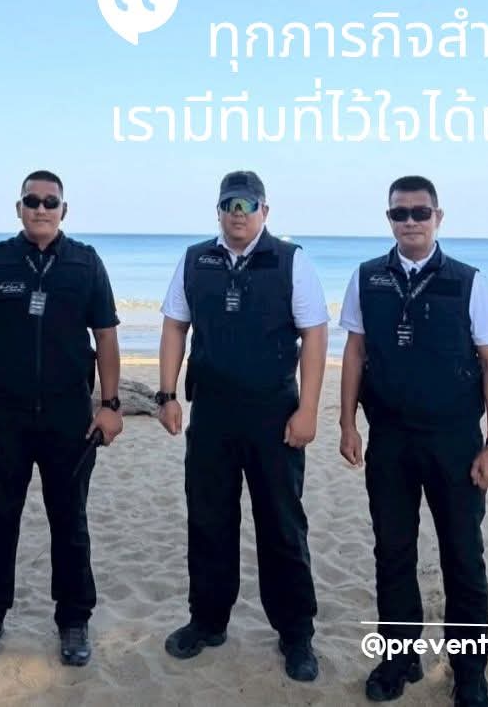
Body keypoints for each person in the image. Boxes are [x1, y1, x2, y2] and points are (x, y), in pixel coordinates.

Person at [338, 175, 488, 707]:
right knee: (392, 552)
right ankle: (399, 658)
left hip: (454, 442)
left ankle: (469, 672)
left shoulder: (469, 281)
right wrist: (347, 423)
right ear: (388, 219)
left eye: (420, 212)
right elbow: (355, 353)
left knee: (463, 557)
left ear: (438, 217)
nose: (410, 221)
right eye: (400, 213)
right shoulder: (367, 277)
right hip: (389, 440)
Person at [157, 170, 329, 682]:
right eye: (230, 204)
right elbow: (175, 326)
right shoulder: (195, 260)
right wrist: (167, 394)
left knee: (281, 524)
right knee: (208, 520)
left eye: (247, 205)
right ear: (218, 210)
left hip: (274, 415)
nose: (238, 213)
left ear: (264, 211)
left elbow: (315, 336)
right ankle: (208, 621)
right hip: (211, 412)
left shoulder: (291, 261)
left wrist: (308, 409)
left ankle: (296, 634)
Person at [0, 170, 122, 668]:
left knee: (70, 521)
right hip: (3, 417)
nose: (41, 209)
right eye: (32, 201)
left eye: (50, 202)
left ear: (64, 210)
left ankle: (74, 620)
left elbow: (106, 337)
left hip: (70, 418)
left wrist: (110, 405)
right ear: (19, 208)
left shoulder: (86, 264)